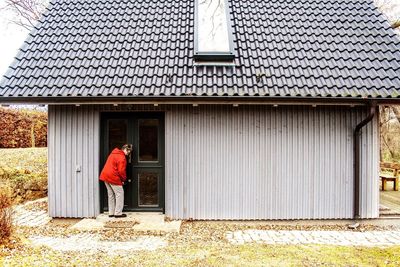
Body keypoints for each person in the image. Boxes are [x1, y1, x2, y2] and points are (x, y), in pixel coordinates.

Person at [100, 144, 133, 218]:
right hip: (113, 176)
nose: (128, 153)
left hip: (105, 175)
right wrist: (124, 179)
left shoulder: (113, 154)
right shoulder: (122, 158)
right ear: (125, 149)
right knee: (120, 194)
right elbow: (121, 171)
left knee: (111, 194)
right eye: (128, 151)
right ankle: (118, 213)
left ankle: (111, 212)